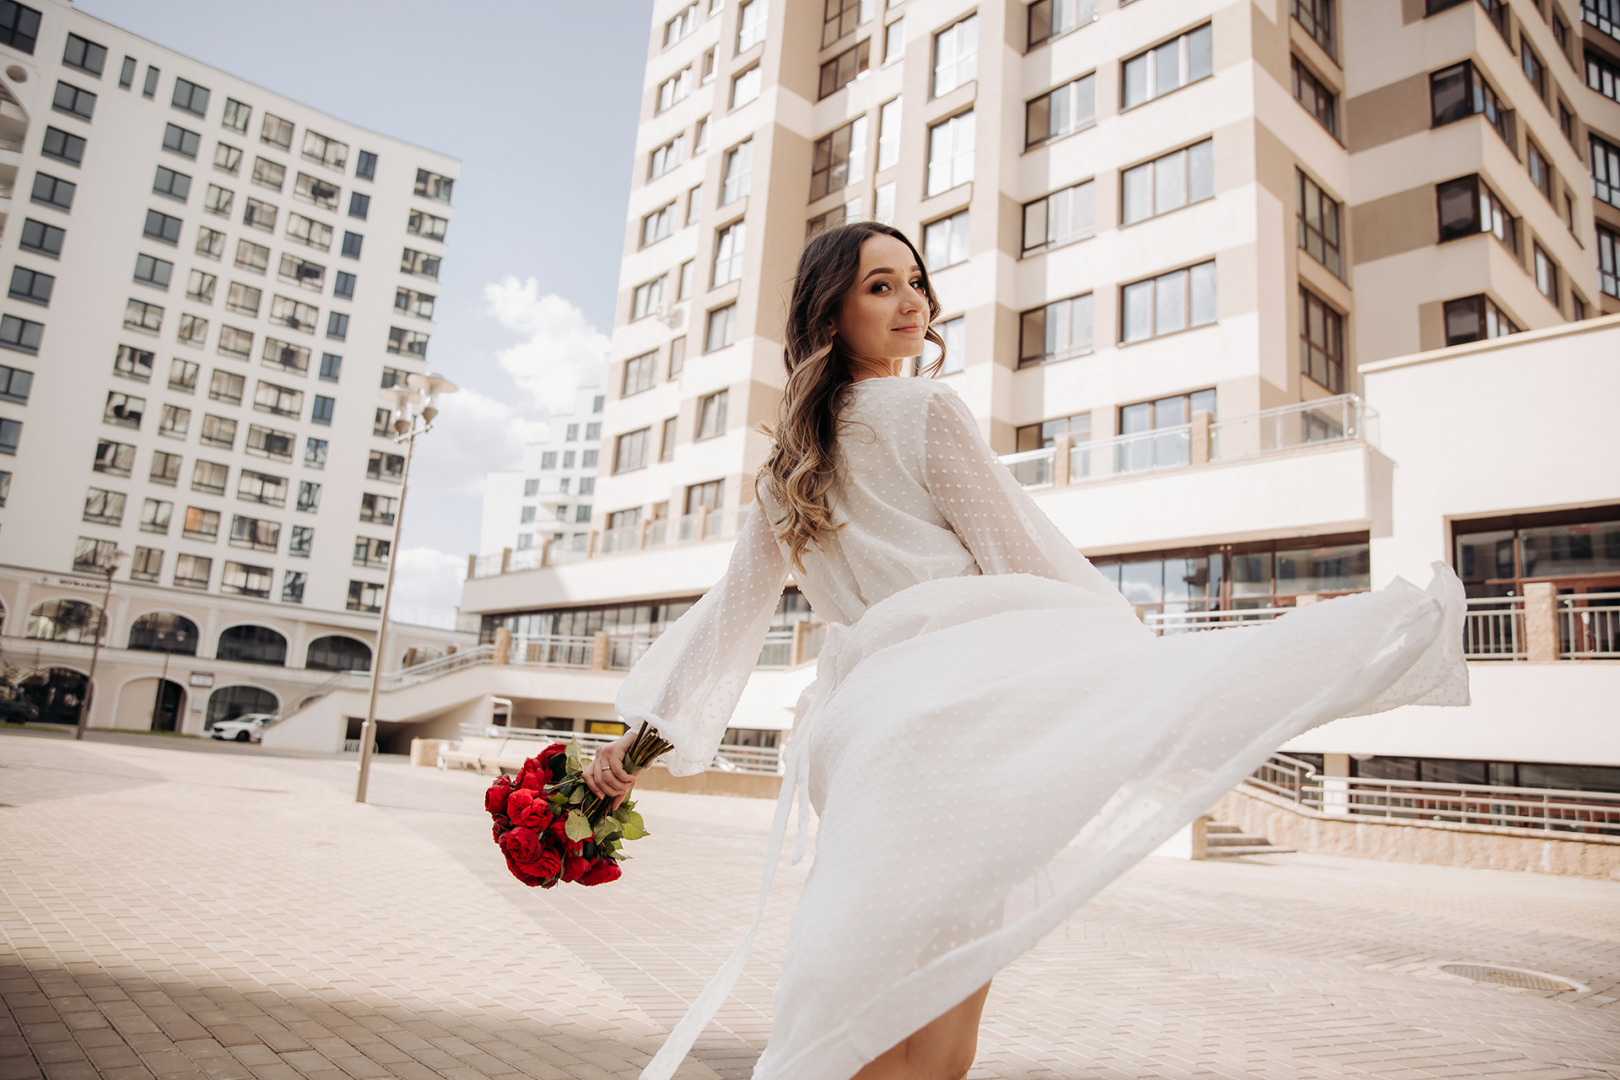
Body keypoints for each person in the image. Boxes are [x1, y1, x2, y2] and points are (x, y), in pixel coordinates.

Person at [583, 222, 1468, 1080]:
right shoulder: (925, 408)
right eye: (879, 286)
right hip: (955, 723)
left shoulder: (786, 473)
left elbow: (725, 625)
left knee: (855, 1006)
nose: (910, 303)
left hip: (860, 742)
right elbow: (1020, 559)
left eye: (916, 281)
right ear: (830, 314)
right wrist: (1130, 666)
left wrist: (637, 746)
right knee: (939, 1017)